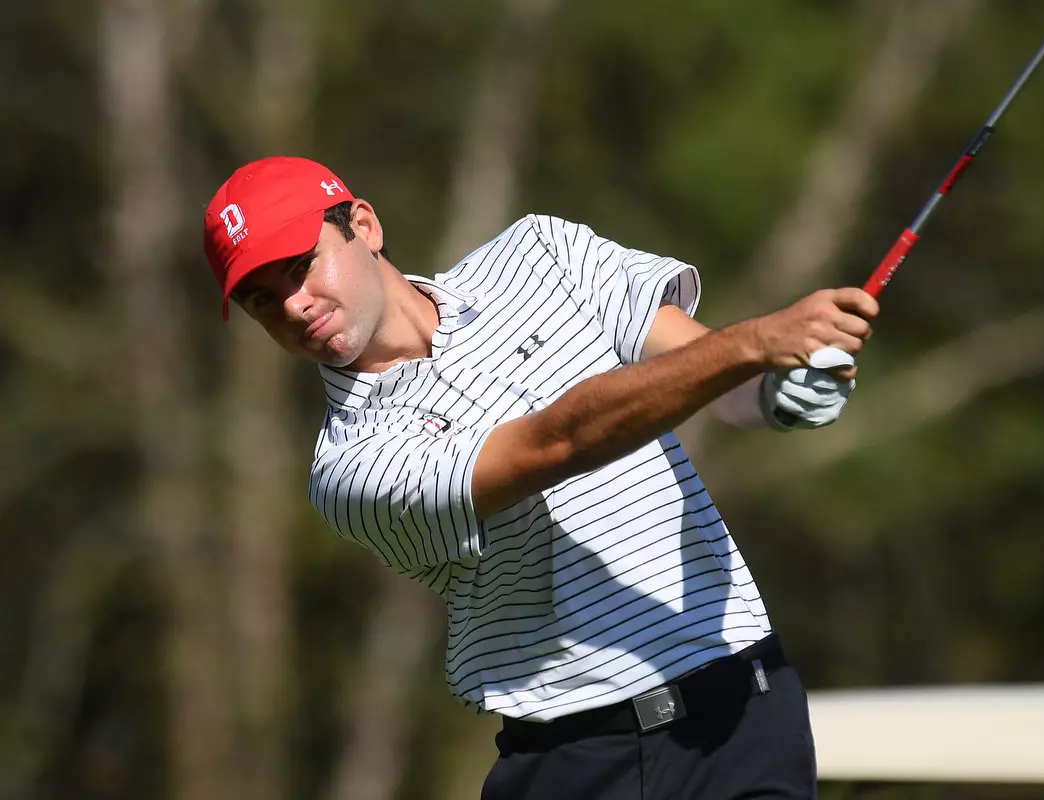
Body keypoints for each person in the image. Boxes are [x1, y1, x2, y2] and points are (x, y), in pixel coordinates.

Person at [203, 155, 879, 799]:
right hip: (585, 763)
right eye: (265, 299)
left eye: (301, 267)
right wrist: (753, 344)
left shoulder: (541, 253)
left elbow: (703, 368)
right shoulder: (352, 468)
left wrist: (775, 391)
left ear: (365, 227)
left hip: (747, 710)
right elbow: (560, 443)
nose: (293, 305)